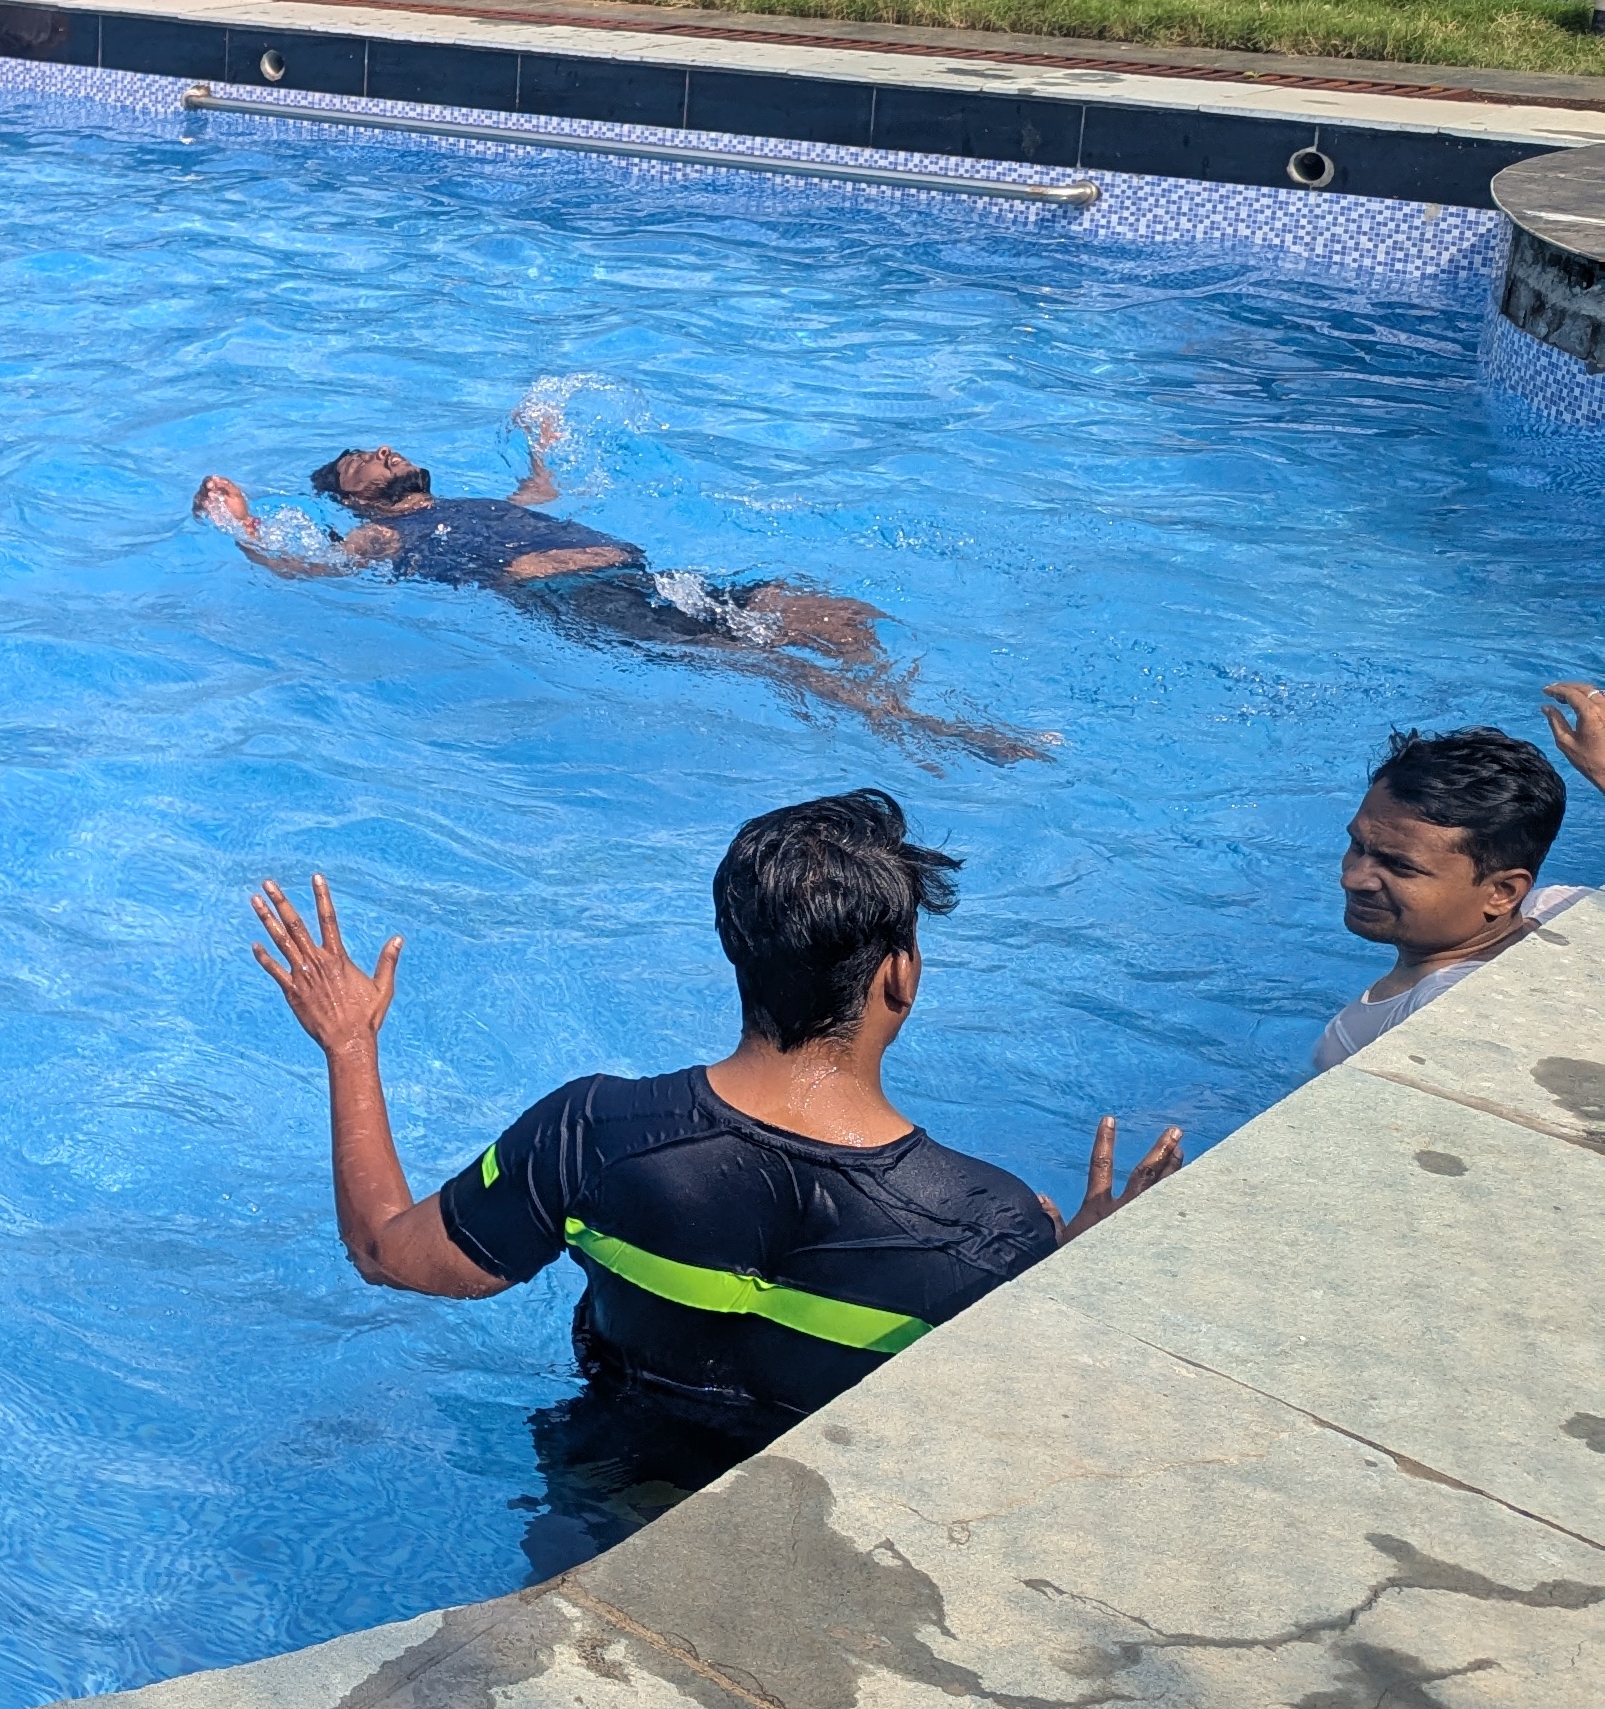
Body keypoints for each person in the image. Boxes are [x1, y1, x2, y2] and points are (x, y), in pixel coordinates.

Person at [247, 792, 1179, 1519]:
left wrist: (350, 1045)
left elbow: (385, 1251)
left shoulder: (594, 1133)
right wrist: (1073, 1282)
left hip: (596, 1504)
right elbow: (1033, 1437)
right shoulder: (990, 1225)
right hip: (818, 1536)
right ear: (901, 974)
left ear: (735, 952)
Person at [192, 406, 1041, 764]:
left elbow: (541, 497)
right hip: (579, 604)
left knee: (819, 607)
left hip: (641, 575)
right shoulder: (383, 532)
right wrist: (243, 527)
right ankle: (936, 730)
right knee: (768, 662)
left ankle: (899, 691)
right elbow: (314, 571)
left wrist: (541, 443)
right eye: (360, 464)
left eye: (381, 445)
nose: (381, 453)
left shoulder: (471, 500)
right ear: (353, 498)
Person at [1313, 722, 1585, 1071]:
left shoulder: (1447, 1009)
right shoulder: (1562, 905)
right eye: (1358, 845)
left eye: (1399, 866)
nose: (1352, 879)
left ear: (1503, 893)